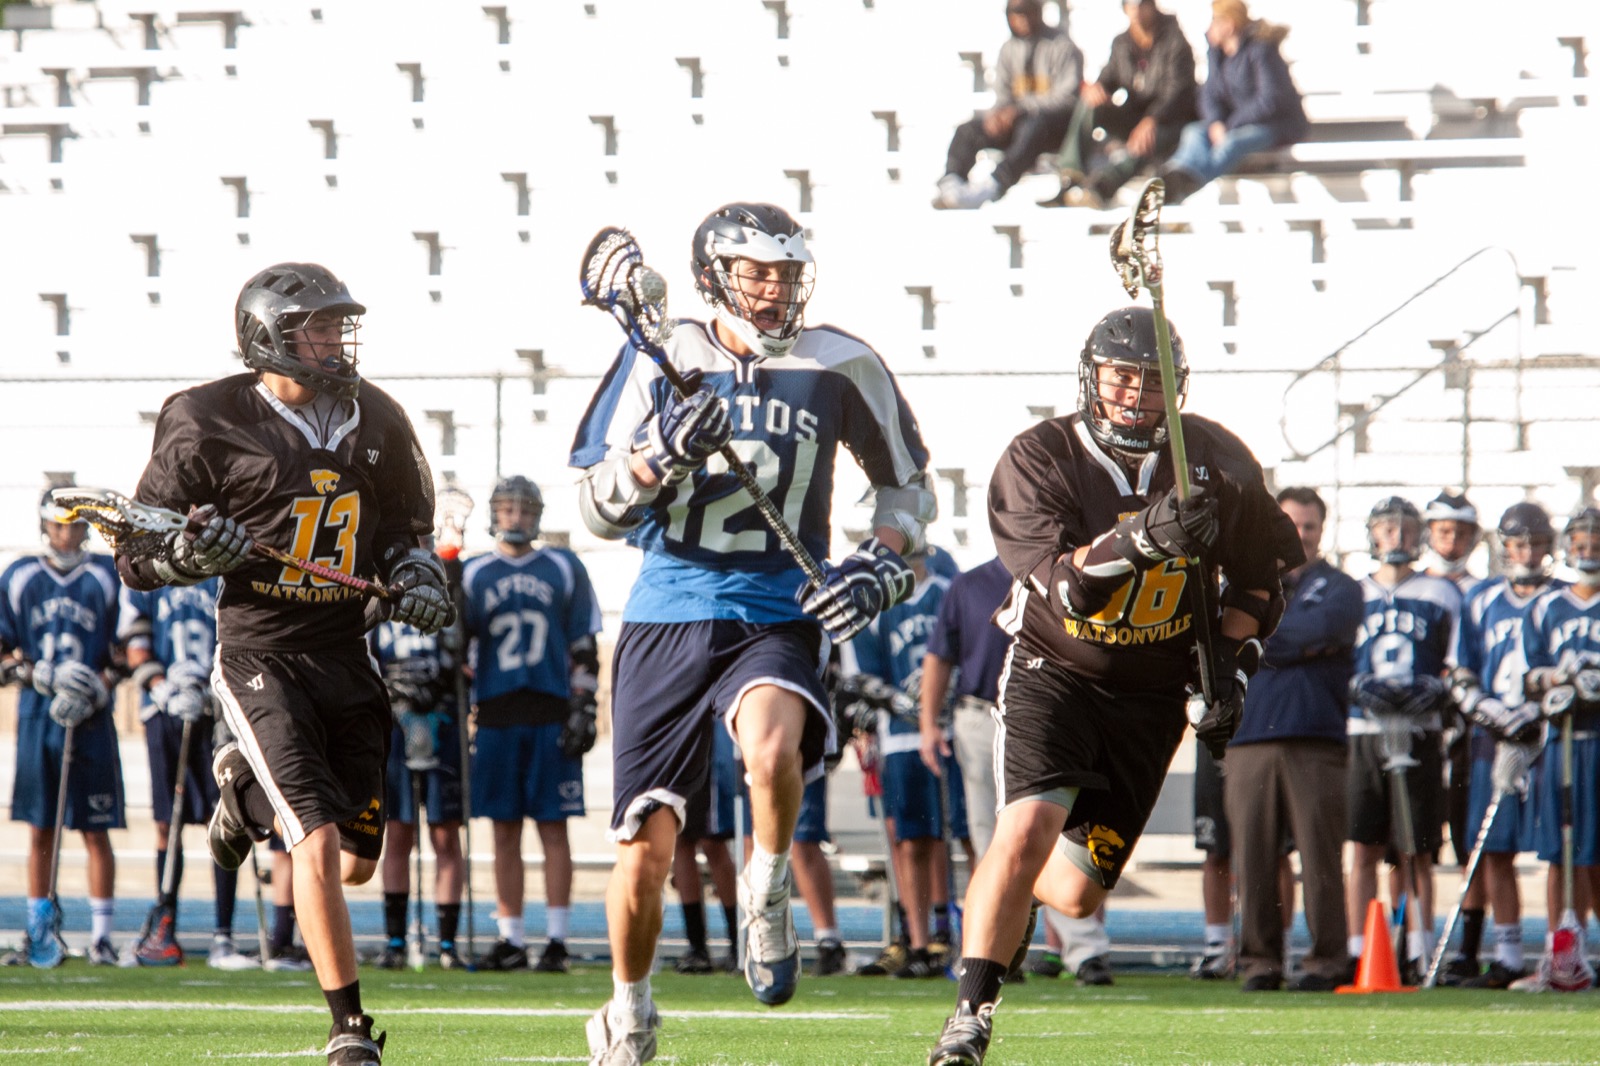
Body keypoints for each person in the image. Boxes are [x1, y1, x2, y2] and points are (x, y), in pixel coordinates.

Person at [570, 201, 934, 1063]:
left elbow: (908, 492)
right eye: (755, 273)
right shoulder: (664, 355)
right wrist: (659, 456)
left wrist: (878, 565)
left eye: (784, 273)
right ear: (712, 276)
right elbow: (594, 505)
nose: (773, 291)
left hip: (780, 606)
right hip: (667, 608)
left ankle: (766, 890)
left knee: (771, 755)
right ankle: (630, 1008)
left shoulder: (841, 362)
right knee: (645, 849)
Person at [927, 307, 1299, 1066]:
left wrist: (1231, 668)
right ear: (1092, 378)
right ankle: (969, 1016)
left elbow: (1263, 581)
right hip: (1053, 670)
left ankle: (1013, 901)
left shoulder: (1219, 460)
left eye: (1152, 382)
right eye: (1121, 378)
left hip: (1154, 693)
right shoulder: (1041, 456)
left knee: (1072, 894)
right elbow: (1066, 589)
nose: (1134, 396)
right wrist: (1145, 536)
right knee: (1025, 831)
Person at [117, 262, 452, 1066]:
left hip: (347, 651)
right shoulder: (205, 417)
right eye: (321, 327)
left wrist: (414, 577)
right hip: (262, 653)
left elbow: (409, 530)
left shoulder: (379, 416)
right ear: (270, 338)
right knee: (315, 839)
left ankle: (239, 794)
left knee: (357, 861)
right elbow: (136, 555)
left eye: (341, 325)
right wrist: (192, 553)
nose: (338, 340)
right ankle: (347, 1028)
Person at [459, 475, 601, 974]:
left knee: (553, 828)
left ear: (536, 515)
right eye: (506, 509)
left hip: (549, 711)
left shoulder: (564, 565)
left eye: (523, 510)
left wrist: (585, 704)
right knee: (502, 832)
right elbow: (458, 647)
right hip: (496, 712)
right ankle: (512, 937)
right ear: (494, 515)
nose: (514, 518)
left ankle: (557, 940)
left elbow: (584, 641)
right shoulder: (473, 572)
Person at [1222, 487, 1362, 992]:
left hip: (1315, 739)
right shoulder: (1243, 584)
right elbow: (1233, 638)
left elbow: (1297, 633)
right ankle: (1261, 961)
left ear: (1322, 531)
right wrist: (1271, 638)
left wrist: (1257, 635)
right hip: (1249, 738)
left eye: (1309, 526)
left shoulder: (1342, 587)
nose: (1300, 534)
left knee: (1320, 858)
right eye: (1292, 524)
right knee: (1255, 858)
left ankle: (1327, 960)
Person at [1, 489, 126, 967]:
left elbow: (128, 647)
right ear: (45, 526)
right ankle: (39, 929)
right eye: (59, 525)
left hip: (92, 718)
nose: (67, 534)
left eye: (75, 526)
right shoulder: (19, 575)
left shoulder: (106, 575)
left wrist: (102, 683)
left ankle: (101, 936)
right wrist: (35, 674)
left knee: (96, 828)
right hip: (39, 714)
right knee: (40, 829)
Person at [1439, 502, 1558, 987]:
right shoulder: (1482, 599)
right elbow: (1461, 670)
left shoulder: (1562, 598)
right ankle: (1507, 954)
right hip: (1493, 736)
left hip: (1551, 736)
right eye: (1518, 543)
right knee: (1493, 847)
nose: (1527, 553)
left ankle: (1564, 951)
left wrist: (1534, 712)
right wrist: (1494, 713)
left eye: (1535, 543)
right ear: (1503, 546)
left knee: (1566, 850)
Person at [1343, 497, 1462, 985]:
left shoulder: (1440, 593)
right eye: (1387, 529)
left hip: (1419, 731)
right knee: (1364, 847)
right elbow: (1336, 660)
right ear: (1372, 534)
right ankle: (1358, 949)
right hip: (1364, 731)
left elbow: (1457, 662)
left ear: (1420, 535)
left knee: (1416, 849)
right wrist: (1353, 685)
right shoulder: (1353, 593)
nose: (1397, 538)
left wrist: (1438, 689)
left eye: (1406, 529)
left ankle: (1419, 948)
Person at [119, 577, 260, 970]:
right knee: (168, 823)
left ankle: (223, 937)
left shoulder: (225, 571)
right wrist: (161, 687)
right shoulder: (147, 572)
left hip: (218, 709)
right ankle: (165, 929)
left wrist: (225, 689)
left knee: (226, 821)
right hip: (167, 710)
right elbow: (133, 643)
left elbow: (246, 635)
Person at [840, 548, 952, 979]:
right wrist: (906, 704)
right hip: (901, 737)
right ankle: (917, 938)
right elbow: (862, 675)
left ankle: (948, 930)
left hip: (950, 730)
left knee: (952, 835)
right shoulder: (875, 603)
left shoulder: (947, 591)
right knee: (909, 840)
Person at [1515, 506, 1600, 992]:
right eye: (1581, 543)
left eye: (1596, 542)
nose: (1587, 551)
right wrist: (1557, 681)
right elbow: (1530, 673)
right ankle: (1560, 952)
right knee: (1560, 852)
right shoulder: (1549, 606)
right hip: (1563, 743)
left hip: (1598, 742)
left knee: (1594, 853)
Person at [368, 614, 467, 971]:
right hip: (394, 725)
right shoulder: (378, 594)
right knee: (397, 834)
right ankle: (395, 941)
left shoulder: (450, 591)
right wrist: (392, 693)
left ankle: (447, 943)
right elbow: (364, 658)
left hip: (442, 721)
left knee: (445, 836)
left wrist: (444, 681)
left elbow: (465, 656)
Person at [1038, 0, 1197, 210]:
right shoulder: (1123, 43)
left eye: (1142, 5)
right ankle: (1071, 175)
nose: (1137, 11)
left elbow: (1178, 93)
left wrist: (1152, 119)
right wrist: (1097, 88)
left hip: (1169, 122)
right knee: (1090, 103)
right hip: (1135, 118)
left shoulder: (1174, 41)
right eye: (1131, 5)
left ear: (1152, 7)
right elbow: (1108, 77)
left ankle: (1102, 187)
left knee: (1146, 140)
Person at [934, 0, 1083, 210]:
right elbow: (1002, 93)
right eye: (1016, 12)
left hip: (1053, 127)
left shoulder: (1062, 45)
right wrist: (998, 115)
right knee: (969, 129)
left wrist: (1022, 108)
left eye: (1027, 11)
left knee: (1034, 126)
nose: (1022, 18)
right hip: (1015, 122)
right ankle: (951, 182)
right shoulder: (1008, 49)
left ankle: (995, 183)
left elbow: (1068, 97)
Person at [1157, 0, 1306, 205]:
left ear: (1229, 24)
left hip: (1274, 125)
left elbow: (1270, 99)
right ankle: (1172, 177)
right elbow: (1209, 94)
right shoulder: (1217, 54)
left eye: (1214, 21)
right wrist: (1216, 121)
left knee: (1232, 144)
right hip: (1231, 124)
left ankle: (1186, 185)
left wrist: (1230, 125)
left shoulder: (1261, 51)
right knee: (1193, 132)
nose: (1210, 28)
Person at [1421, 491, 1484, 907]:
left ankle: (1468, 944)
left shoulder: (1484, 592)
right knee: (1413, 841)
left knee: (1468, 834)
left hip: (1468, 724)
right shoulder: (1415, 587)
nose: (1452, 541)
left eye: (1461, 533)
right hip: (1421, 721)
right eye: (1444, 530)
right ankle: (1411, 939)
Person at [670, 724, 741, 974]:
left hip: (707, 735)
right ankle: (697, 945)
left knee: (713, 841)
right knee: (681, 839)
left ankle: (738, 941)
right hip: (677, 734)